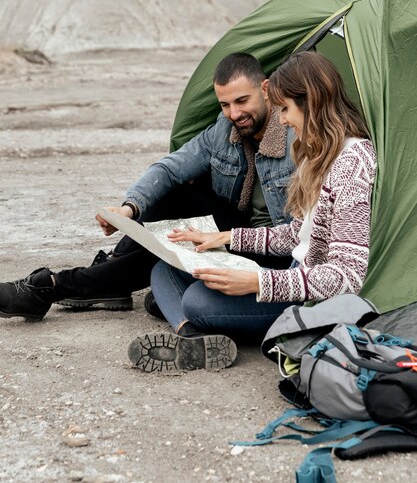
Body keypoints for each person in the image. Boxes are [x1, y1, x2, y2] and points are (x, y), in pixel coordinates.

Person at [0, 53, 295, 367]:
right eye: (224, 105)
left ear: (265, 90)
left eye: (241, 101)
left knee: (171, 258)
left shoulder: (296, 138)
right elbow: (169, 169)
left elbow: (300, 237)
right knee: (167, 235)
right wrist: (129, 209)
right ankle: (190, 333)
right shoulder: (224, 132)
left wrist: (223, 238)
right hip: (233, 233)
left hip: (273, 249)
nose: (234, 113)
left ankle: (57, 285)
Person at [128, 51, 377, 374]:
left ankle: (192, 323)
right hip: (291, 271)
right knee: (165, 270)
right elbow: (293, 236)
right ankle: (191, 336)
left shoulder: (352, 161)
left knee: (196, 300)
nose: (283, 120)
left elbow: (347, 277)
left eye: (286, 109)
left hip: (307, 299)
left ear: (311, 103)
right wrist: (225, 238)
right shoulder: (317, 154)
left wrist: (258, 282)